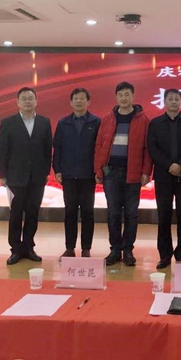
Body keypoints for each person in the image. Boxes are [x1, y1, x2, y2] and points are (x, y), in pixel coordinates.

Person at [94, 82, 151, 267]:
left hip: (132, 173)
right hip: (111, 173)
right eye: (121, 95)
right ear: (116, 97)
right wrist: (99, 169)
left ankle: (128, 250)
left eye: (127, 94)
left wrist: (146, 171)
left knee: (131, 214)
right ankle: (115, 250)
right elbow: (99, 145)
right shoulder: (108, 118)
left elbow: (147, 148)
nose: (124, 98)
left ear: (133, 96)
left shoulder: (143, 119)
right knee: (113, 213)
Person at [0, 87, 53, 266]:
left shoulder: (44, 122)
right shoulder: (8, 122)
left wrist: (46, 172)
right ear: (18, 102)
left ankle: (29, 247)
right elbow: (2, 150)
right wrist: (2, 174)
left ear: (36, 101)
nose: (28, 101)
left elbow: (47, 150)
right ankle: (15, 249)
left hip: (37, 177)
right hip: (15, 177)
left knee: (32, 213)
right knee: (16, 214)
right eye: (24, 99)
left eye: (31, 98)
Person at [147, 88, 181, 270]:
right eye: (170, 99)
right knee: (164, 215)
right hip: (163, 175)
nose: (174, 102)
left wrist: (180, 165)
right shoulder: (155, 123)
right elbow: (152, 148)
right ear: (164, 101)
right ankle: (164, 254)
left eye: (177, 99)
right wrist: (169, 165)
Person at [52, 88, 101, 259]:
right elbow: (57, 148)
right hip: (68, 175)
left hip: (88, 176)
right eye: (76, 99)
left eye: (82, 99)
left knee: (88, 212)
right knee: (70, 212)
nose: (79, 101)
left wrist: (98, 170)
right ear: (71, 102)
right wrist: (57, 169)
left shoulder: (96, 122)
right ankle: (69, 248)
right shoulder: (63, 123)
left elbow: (100, 149)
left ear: (89, 102)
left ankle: (86, 248)